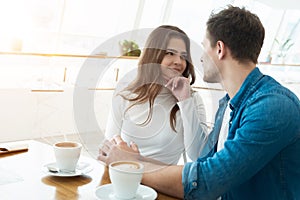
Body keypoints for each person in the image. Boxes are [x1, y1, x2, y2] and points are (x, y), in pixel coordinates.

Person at [98, 6, 300, 200]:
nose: (199, 59)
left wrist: (131, 167)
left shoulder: (271, 107)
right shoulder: (228, 105)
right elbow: (204, 164)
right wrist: (131, 161)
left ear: (219, 49)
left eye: (203, 48)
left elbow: (206, 182)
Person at [104, 25, 208, 165]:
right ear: (153, 55)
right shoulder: (126, 94)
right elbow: (109, 148)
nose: (178, 61)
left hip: (164, 184)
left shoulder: (192, 100)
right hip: (125, 176)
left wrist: (185, 101)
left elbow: (198, 155)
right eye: (170, 53)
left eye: (183, 56)